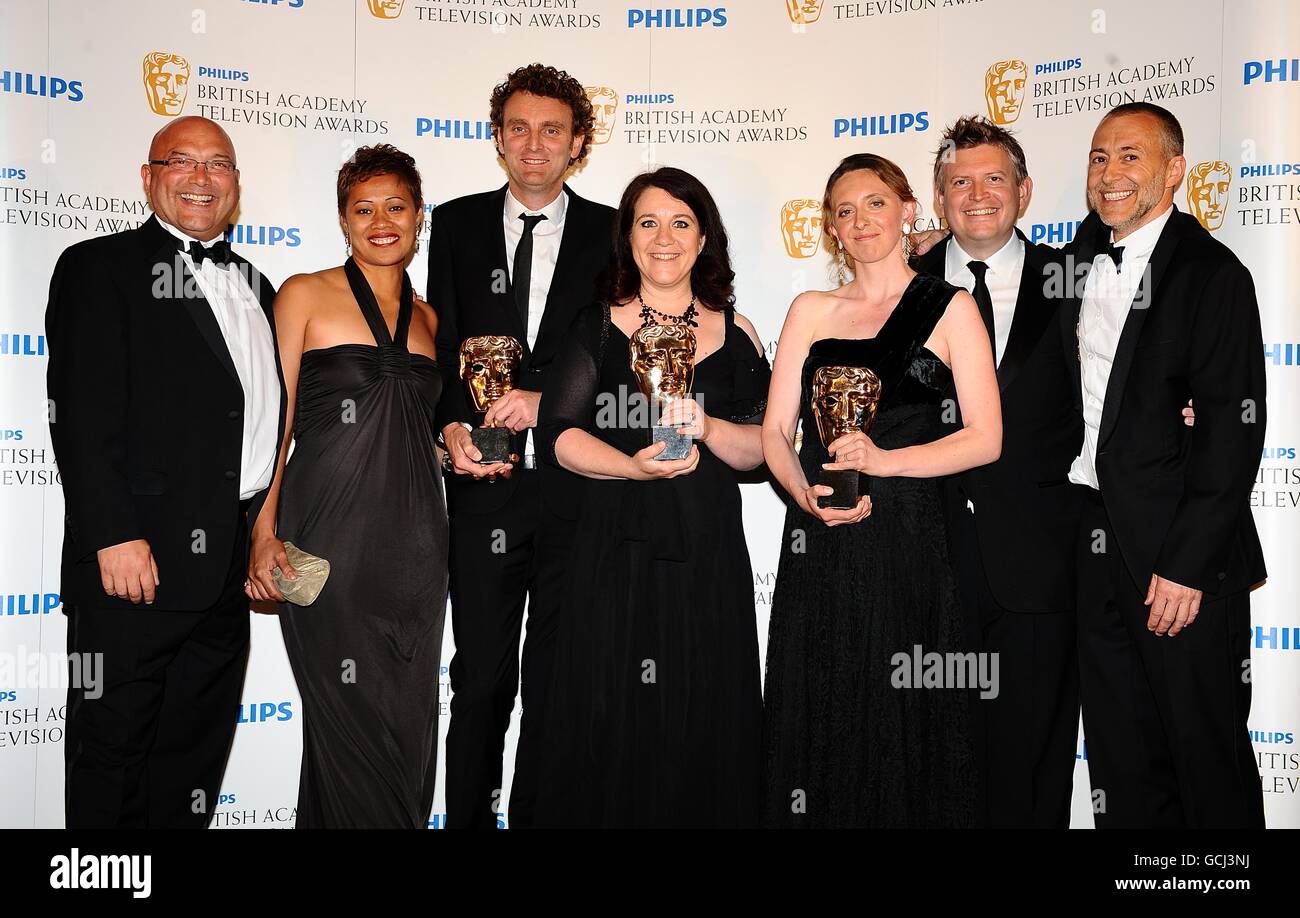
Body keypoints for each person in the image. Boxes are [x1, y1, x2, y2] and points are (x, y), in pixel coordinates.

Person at [46, 116, 284, 828]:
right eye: (181, 161)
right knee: (110, 756)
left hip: (225, 574)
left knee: (191, 762)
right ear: (147, 177)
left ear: (237, 186)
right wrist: (111, 534)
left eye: (219, 165)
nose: (202, 177)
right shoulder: (98, 267)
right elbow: (80, 414)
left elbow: (267, 426)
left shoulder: (258, 285)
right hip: (134, 568)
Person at [760, 153, 1001, 828]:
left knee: (905, 714)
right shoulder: (810, 309)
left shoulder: (950, 307)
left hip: (912, 542)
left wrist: (887, 460)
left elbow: (985, 437)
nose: (860, 220)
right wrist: (800, 491)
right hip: (822, 537)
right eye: (844, 210)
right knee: (825, 701)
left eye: (874, 203)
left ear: (907, 210)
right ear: (831, 229)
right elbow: (776, 432)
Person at [534, 167, 770, 827]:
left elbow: (764, 449)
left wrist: (711, 426)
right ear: (627, 238)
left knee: (704, 721)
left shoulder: (740, 331)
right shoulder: (595, 327)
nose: (663, 237)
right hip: (614, 554)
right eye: (647, 222)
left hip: (707, 558)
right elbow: (558, 438)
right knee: (611, 720)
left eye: (680, 222)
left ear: (704, 239)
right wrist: (631, 470)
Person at [1063, 102, 1266, 828]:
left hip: (1179, 551)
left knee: (1201, 750)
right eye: (1098, 156)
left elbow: (1232, 434)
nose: (1109, 173)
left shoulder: (1213, 274)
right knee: (1121, 753)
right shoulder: (1078, 261)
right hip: (1092, 541)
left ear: (1174, 170)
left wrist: (1184, 564)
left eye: (1130, 156)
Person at [427, 63, 616, 828]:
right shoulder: (456, 222)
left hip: (580, 492)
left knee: (561, 682)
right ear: (497, 137)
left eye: (552, 130)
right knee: (479, 684)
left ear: (578, 143)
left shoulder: (615, 231)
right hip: (484, 492)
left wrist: (553, 403)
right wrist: (446, 425)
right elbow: (438, 350)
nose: (534, 144)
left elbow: (626, 360)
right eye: (518, 128)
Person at [244, 144, 447, 828]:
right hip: (327, 535)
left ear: (420, 217)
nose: (380, 221)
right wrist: (262, 531)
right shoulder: (304, 293)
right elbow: (270, 425)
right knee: (347, 724)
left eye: (396, 206)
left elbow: (424, 433)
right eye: (364, 208)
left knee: (408, 728)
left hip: (418, 547)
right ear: (343, 220)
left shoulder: (431, 321)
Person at [912, 116, 1083, 827]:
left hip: (1040, 560)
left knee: (1032, 760)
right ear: (939, 197)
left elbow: (1130, 377)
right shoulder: (901, 283)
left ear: (1025, 190)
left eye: (993, 178)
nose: (977, 194)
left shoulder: (1079, 278)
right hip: (922, 557)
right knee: (929, 758)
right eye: (960, 182)